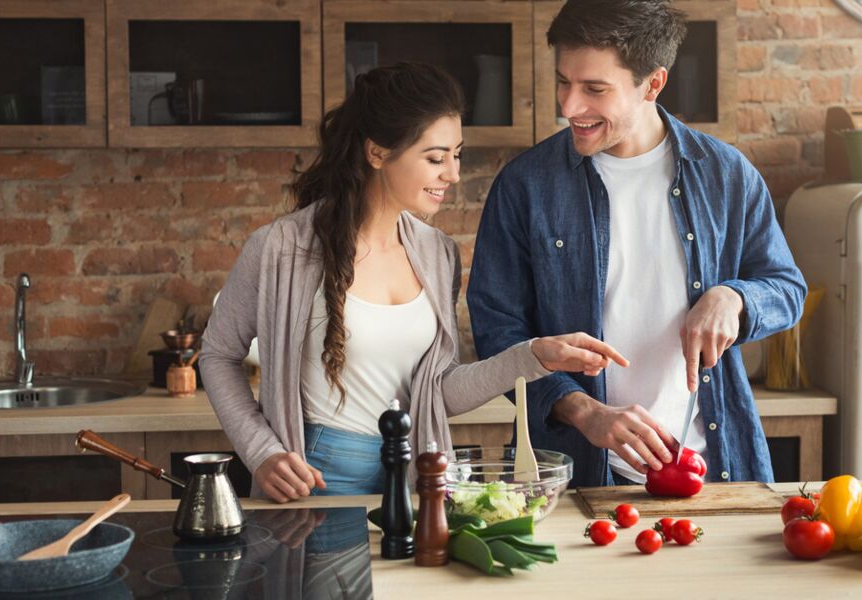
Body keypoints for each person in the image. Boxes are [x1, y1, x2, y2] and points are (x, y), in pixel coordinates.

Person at [200, 63, 627, 502]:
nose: (453, 174)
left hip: (416, 477)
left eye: (456, 155)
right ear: (378, 153)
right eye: (435, 158)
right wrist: (261, 451)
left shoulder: (437, 253)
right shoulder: (281, 248)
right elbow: (217, 355)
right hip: (317, 477)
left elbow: (437, 392)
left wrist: (534, 356)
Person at [467, 0, 807, 488]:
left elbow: (786, 288)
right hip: (580, 477)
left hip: (713, 468)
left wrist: (732, 297)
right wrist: (585, 411)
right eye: (564, 81)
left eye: (595, 89)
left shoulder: (726, 175)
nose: (568, 107)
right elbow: (499, 333)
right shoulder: (525, 186)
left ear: (653, 84)